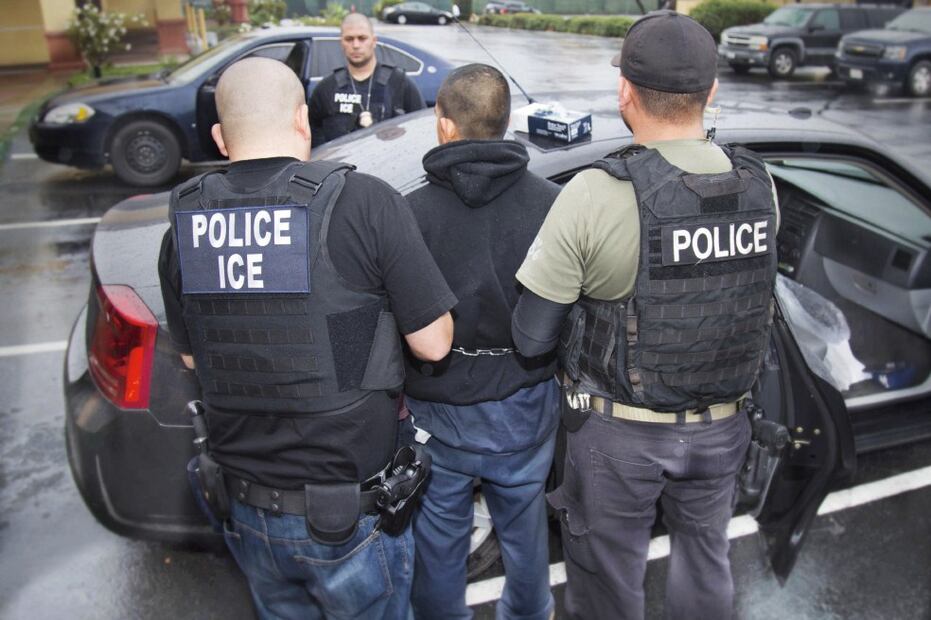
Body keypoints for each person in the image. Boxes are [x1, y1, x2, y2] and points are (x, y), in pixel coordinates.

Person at [157, 57, 456, 620]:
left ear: (221, 138)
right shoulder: (363, 202)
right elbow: (434, 344)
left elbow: (196, 356)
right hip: (347, 513)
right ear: (304, 120)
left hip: (245, 505)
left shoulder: (185, 226)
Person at [511, 11, 780, 620]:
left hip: (619, 437)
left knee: (607, 582)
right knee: (706, 560)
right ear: (711, 93)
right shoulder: (761, 186)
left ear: (624, 92)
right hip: (723, 425)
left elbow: (531, 336)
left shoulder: (595, 192)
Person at [402, 64, 561, 620]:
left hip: (437, 410)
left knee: (439, 540)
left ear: (444, 126)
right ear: (505, 123)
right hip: (524, 404)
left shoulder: (410, 213)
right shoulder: (553, 204)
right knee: (524, 532)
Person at [308, 13, 425, 145]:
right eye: (349, 39)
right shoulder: (326, 89)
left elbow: (420, 129)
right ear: (341, 42)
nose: (356, 45)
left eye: (362, 38)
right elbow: (313, 136)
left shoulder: (399, 83)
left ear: (373, 41)